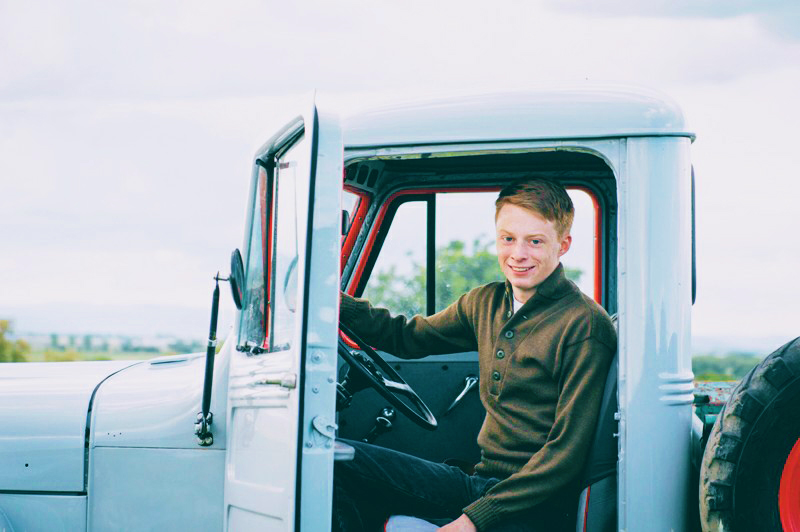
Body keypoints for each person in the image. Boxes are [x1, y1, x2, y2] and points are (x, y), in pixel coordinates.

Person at [334, 179, 617, 532]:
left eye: (535, 241)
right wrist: (331, 302)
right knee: (334, 459)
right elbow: (408, 337)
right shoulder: (485, 303)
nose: (518, 254)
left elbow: (564, 455)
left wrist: (473, 521)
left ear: (563, 245)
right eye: (508, 238)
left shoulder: (585, 327)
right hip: (480, 485)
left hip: (534, 505)